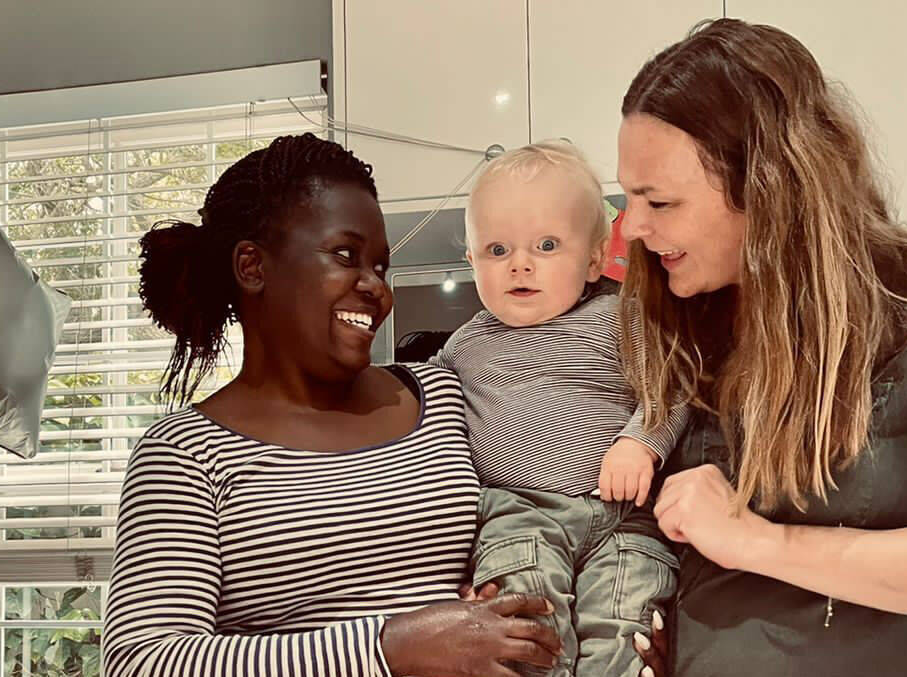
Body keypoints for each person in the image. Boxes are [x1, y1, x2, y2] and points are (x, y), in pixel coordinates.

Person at [101, 133, 564, 677]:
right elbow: (144, 663)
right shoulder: (184, 454)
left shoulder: (443, 393)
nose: (376, 287)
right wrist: (390, 648)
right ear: (253, 267)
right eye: (345, 256)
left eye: (382, 267)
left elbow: (566, 503)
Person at [612, 18, 907, 676]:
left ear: (768, 190)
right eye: (630, 197)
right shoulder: (682, 321)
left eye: (660, 201)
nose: (633, 228)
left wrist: (760, 541)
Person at [431, 141, 688, 677]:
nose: (520, 264)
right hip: (516, 515)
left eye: (547, 245)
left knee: (627, 629)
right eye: (497, 251)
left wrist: (641, 440)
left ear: (594, 257)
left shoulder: (622, 318)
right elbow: (421, 412)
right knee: (523, 632)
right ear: (471, 262)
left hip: (624, 521)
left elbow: (674, 383)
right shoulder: (461, 348)